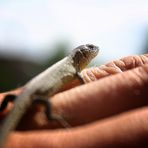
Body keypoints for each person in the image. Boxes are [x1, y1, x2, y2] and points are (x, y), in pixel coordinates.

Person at [0, 54, 148, 147]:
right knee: (44, 104)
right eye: (90, 50)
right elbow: (84, 84)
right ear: (82, 55)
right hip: (36, 98)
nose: (94, 51)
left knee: (9, 101)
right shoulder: (75, 70)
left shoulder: (72, 66)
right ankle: (51, 116)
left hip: (23, 97)